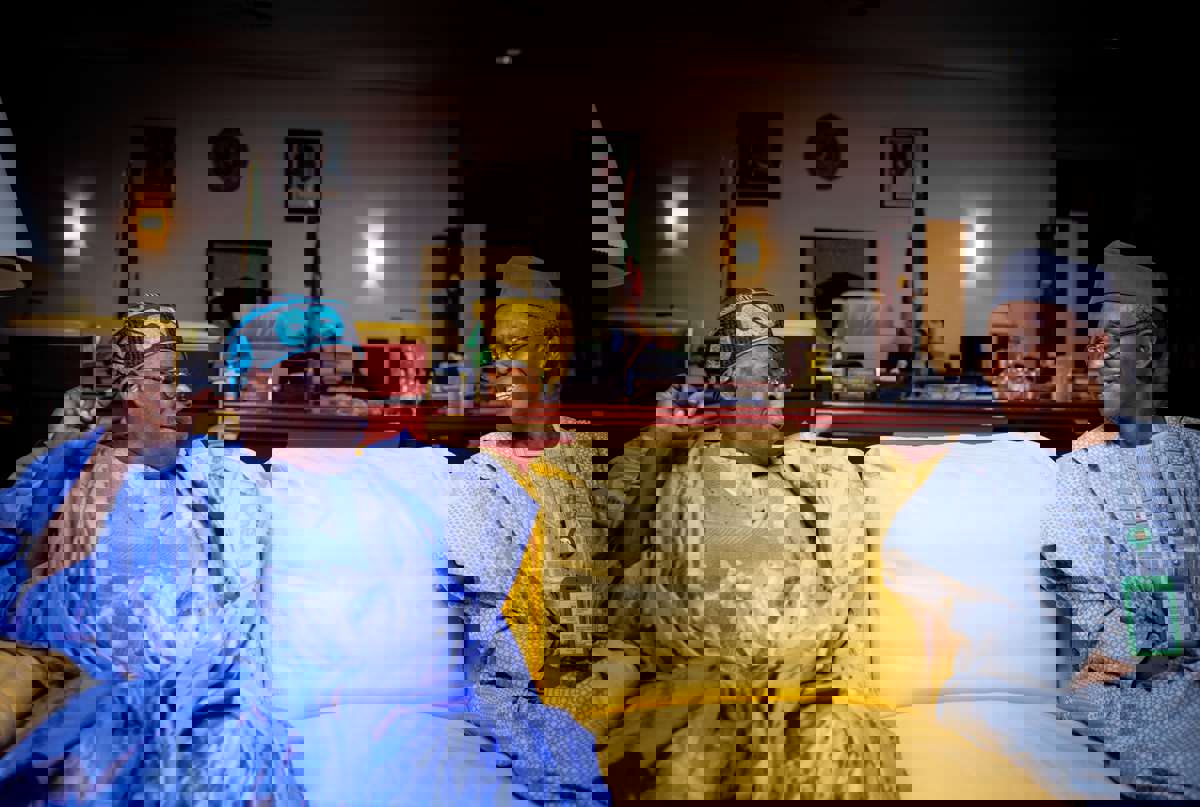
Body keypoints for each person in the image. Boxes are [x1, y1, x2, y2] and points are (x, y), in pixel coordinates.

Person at [225, 293, 610, 805]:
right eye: (325, 378)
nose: (349, 393)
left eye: (348, 377)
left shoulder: (423, 486)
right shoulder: (237, 501)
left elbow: (483, 641)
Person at [594, 289, 898, 800]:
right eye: (756, 378)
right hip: (697, 686)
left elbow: (847, 587)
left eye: (778, 377)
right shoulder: (679, 471)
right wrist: (656, 442)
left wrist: (802, 663)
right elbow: (607, 540)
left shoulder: (822, 473)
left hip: (802, 681)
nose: (773, 391)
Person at [0, 301, 302, 804]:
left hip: (182, 702)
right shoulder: (59, 472)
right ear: (120, 394)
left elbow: (250, 591)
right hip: (61, 698)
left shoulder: (216, 473)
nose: (182, 392)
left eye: (183, 379)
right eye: (165, 379)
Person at [1044, 242, 1200, 799]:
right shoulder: (1086, 466)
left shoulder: (1148, 459)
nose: (1096, 357)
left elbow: (1163, 616)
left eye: (1113, 340)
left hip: (1149, 739)